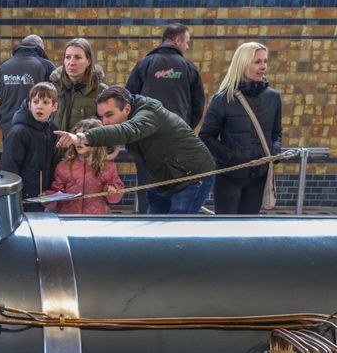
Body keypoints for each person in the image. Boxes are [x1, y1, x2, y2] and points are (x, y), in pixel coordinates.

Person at [56, 86, 214, 214]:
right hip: (162, 178)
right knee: (153, 228)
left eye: (109, 115)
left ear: (126, 109)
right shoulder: (131, 115)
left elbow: (128, 130)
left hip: (192, 176)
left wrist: (82, 137)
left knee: (178, 229)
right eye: (101, 116)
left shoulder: (149, 113)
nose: (105, 122)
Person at [126, 23, 206, 213]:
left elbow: (127, 100)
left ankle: (146, 234)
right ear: (177, 40)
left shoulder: (144, 64)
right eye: (187, 42)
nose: (187, 47)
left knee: (147, 190)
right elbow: (198, 106)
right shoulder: (189, 68)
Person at [200, 42, 282, 215]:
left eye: (265, 61)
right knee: (226, 229)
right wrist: (230, 156)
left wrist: (274, 151)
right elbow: (206, 136)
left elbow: (276, 133)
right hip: (230, 177)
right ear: (243, 63)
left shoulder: (273, 97)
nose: (263, 67)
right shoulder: (223, 99)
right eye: (257, 62)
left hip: (259, 177)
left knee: (249, 228)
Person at [0, 82, 59, 212]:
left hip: (44, 196)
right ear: (29, 104)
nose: (40, 106)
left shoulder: (52, 130)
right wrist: (14, 196)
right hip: (23, 198)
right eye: (35, 102)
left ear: (54, 106)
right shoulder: (19, 132)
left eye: (46, 102)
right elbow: (9, 167)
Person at [45, 118, 124, 215]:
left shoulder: (107, 166)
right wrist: (47, 199)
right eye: (77, 138)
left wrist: (112, 190)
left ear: (97, 140)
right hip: (71, 219)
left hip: (97, 220)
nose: (79, 142)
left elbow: (115, 199)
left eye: (85, 138)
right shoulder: (64, 166)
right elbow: (58, 196)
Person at [0, 35, 56, 137]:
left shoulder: (1, 67)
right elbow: (57, 98)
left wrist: (0, 117)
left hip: (9, 129)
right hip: (38, 131)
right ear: (40, 47)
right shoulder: (46, 66)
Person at [49, 38, 107, 133]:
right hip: (52, 147)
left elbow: (109, 129)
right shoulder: (52, 89)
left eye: (78, 57)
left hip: (83, 146)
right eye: (68, 57)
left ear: (88, 61)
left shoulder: (102, 91)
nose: (71, 63)